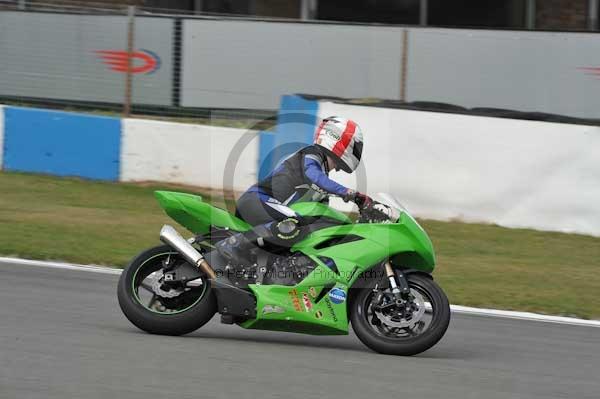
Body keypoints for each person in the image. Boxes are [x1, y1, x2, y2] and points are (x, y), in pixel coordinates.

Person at [216, 116, 374, 263]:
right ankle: (234, 244)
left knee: (305, 229)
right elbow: (313, 176)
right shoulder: (312, 154)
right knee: (296, 223)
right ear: (339, 138)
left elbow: (319, 214)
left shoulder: (322, 183)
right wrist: (350, 194)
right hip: (258, 200)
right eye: (356, 146)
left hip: (270, 211)